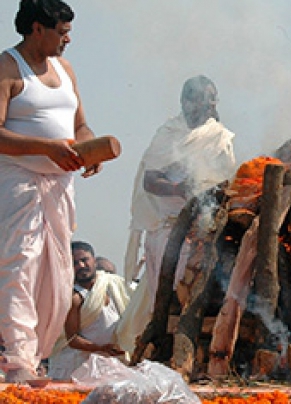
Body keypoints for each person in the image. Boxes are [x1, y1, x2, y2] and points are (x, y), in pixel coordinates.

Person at [0, 0, 103, 382]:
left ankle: (37, 357)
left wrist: (91, 149)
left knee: (58, 278)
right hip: (18, 182)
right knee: (19, 268)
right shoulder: (7, 67)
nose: (68, 39)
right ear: (37, 29)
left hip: (60, 187)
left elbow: (81, 126)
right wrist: (46, 148)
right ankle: (17, 362)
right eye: (61, 32)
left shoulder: (66, 69)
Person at [117, 75, 237, 353]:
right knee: (169, 296)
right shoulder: (168, 134)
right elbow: (150, 180)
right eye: (202, 97)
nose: (208, 103)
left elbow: (227, 181)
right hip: (168, 229)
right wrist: (180, 188)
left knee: (201, 295)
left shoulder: (219, 136)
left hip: (206, 230)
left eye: (212, 97)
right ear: (186, 101)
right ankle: (160, 352)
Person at [47, 241, 130, 380]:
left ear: (94, 261)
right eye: (75, 263)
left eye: (84, 260)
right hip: (78, 366)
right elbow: (72, 339)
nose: (81, 266)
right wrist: (101, 348)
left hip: (109, 364)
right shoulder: (74, 298)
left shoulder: (113, 285)